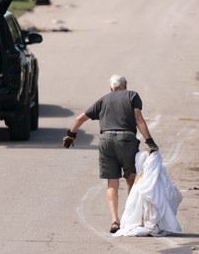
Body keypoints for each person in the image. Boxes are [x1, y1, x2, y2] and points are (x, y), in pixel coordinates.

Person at [62, 74, 158, 234]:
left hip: (106, 141)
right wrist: (150, 142)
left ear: (111, 88)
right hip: (126, 140)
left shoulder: (103, 99)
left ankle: (115, 221)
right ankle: (132, 219)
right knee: (131, 180)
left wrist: (71, 134)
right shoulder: (132, 95)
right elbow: (138, 119)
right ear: (125, 85)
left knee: (112, 182)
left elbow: (80, 118)